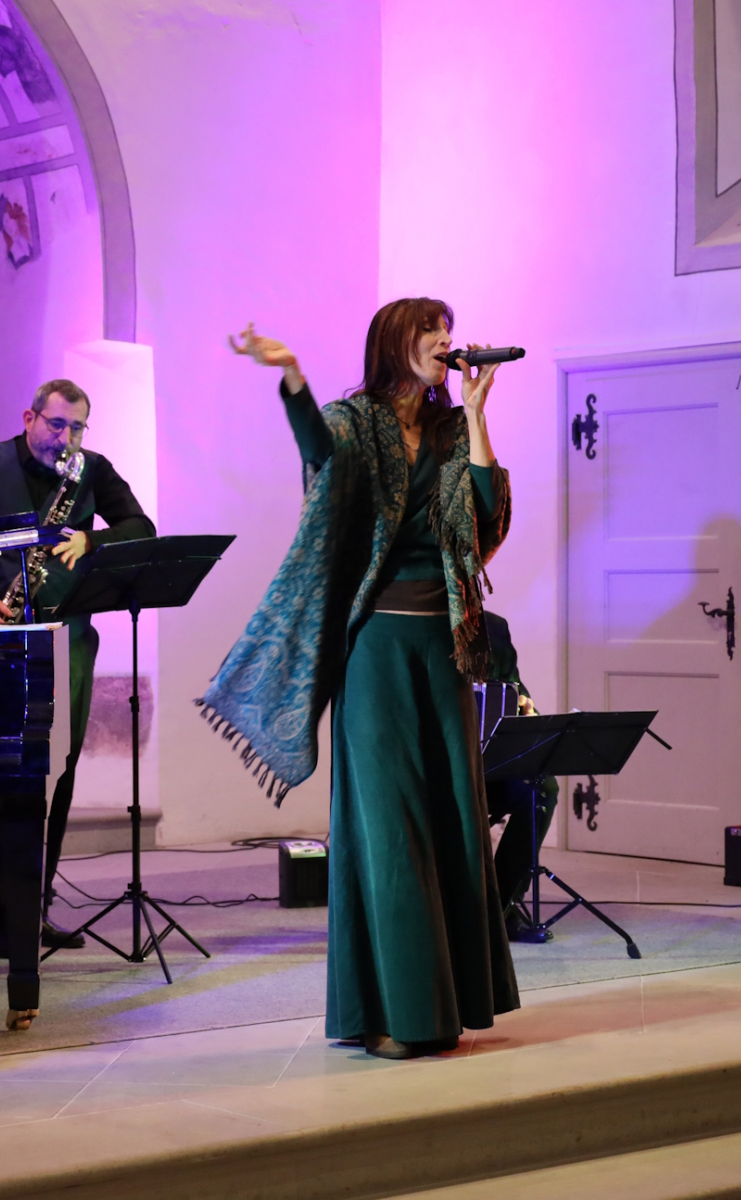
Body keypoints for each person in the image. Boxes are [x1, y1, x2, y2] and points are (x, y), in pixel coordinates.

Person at [209, 298, 519, 1059]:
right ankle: (395, 1013)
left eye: (448, 330)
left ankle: (445, 1006)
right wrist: (292, 377)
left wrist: (478, 414)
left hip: (444, 645)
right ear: (396, 342)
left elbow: (485, 517)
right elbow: (321, 455)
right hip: (375, 646)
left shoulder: (452, 428)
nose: (445, 341)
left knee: (452, 820)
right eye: (430, 330)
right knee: (388, 828)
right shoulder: (357, 421)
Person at [0, 379, 156, 955]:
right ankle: (3, 919)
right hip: (1, 639)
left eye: (77, 427)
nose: (66, 438)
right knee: (11, 777)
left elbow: (141, 527)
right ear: (29, 417)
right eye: (57, 425)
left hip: (68, 638)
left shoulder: (91, 469)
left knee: (58, 774)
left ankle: (34, 909)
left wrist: (90, 539)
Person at [479, 610, 559, 939]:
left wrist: (527, 712)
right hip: (432, 769)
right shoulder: (417, 622)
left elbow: (516, 694)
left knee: (540, 788)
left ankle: (502, 908)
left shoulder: (492, 627)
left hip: (486, 765)